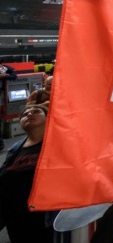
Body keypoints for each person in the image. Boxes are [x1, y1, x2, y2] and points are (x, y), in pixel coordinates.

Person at [0, 104, 53, 242]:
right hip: (15, 216)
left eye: (36, 111)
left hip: (44, 217)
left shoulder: (57, 145)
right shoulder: (14, 148)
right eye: (25, 114)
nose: (29, 114)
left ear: (49, 118)